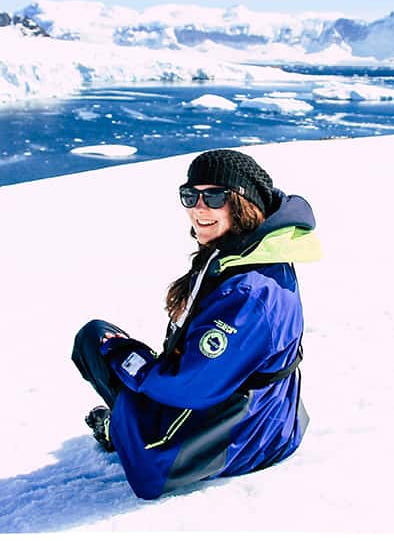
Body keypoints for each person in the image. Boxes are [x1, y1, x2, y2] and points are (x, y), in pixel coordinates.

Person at [72, 148, 321, 499]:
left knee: (94, 340)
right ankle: (127, 424)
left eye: (214, 196)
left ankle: (126, 434)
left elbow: (188, 386)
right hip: (271, 417)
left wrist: (121, 354)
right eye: (190, 196)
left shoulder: (250, 292)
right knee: (112, 350)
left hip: (243, 438)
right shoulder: (247, 249)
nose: (198, 208)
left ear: (243, 202)